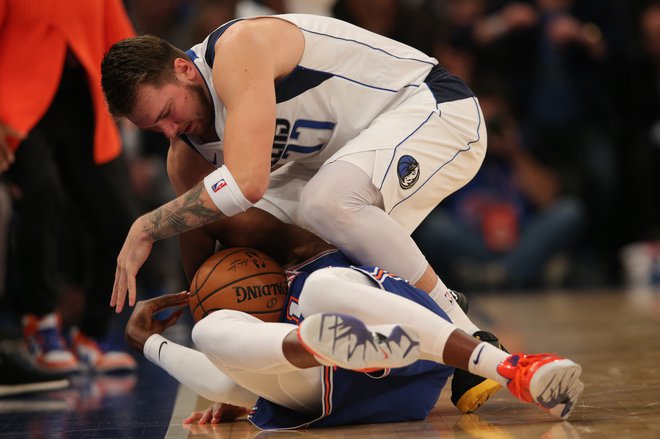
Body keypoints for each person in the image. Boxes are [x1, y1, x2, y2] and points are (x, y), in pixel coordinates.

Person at [100, 13, 496, 406]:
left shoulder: (238, 48)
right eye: (155, 128)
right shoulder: (185, 156)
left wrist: (147, 227)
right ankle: (404, 308)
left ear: (184, 69)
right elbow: (208, 262)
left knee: (326, 201)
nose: (170, 131)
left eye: (168, 112)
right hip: (345, 155)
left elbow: (245, 183)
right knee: (278, 234)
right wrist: (236, 368)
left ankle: (461, 329)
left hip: (432, 108)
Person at [124, 240, 584, 429]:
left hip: (396, 330)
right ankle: (314, 344)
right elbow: (225, 383)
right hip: (321, 380)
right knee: (208, 331)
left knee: (325, 286)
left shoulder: (315, 215)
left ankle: (511, 368)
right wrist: (149, 343)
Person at [0, 0, 139, 373]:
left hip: (87, 103)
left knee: (118, 218)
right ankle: (39, 322)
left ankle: (91, 333)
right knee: (42, 197)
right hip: (15, 108)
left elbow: (121, 41)